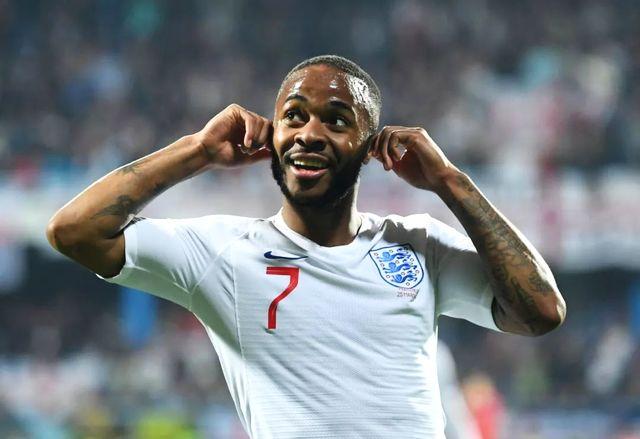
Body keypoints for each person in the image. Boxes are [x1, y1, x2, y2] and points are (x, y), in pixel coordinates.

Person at [46, 55, 566, 438]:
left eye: (336, 120)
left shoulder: (417, 245)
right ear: (274, 136)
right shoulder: (225, 252)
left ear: (370, 146)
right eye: (294, 116)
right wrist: (197, 150)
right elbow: (74, 231)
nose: (309, 133)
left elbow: (542, 312)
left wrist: (451, 182)